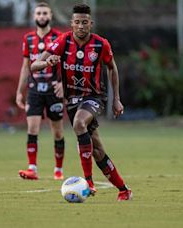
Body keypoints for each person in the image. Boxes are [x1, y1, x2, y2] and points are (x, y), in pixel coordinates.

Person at [30, 3, 132, 201]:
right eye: (77, 22)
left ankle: (88, 181)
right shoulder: (62, 42)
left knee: (78, 123)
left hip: (94, 97)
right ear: (72, 24)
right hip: (72, 101)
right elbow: (35, 65)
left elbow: (112, 68)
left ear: (90, 23)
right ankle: (123, 189)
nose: (81, 26)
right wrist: (47, 62)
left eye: (85, 22)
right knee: (97, 150)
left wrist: (116, 99)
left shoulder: (101, 44)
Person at [16, 2, 65, 180]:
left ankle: (58, 170)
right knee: (32, 128)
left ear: (51, 16)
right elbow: (25, 67)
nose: (42, 16)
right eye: (39, 13)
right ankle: (32, 169)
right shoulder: (28, 39)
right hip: (34, 89)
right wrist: (19, 91)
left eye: (45, 13)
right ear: (34, 16)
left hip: (54, 90)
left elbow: (66, 64)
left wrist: (63, 84)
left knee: (58, 132)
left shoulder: (59, 38)